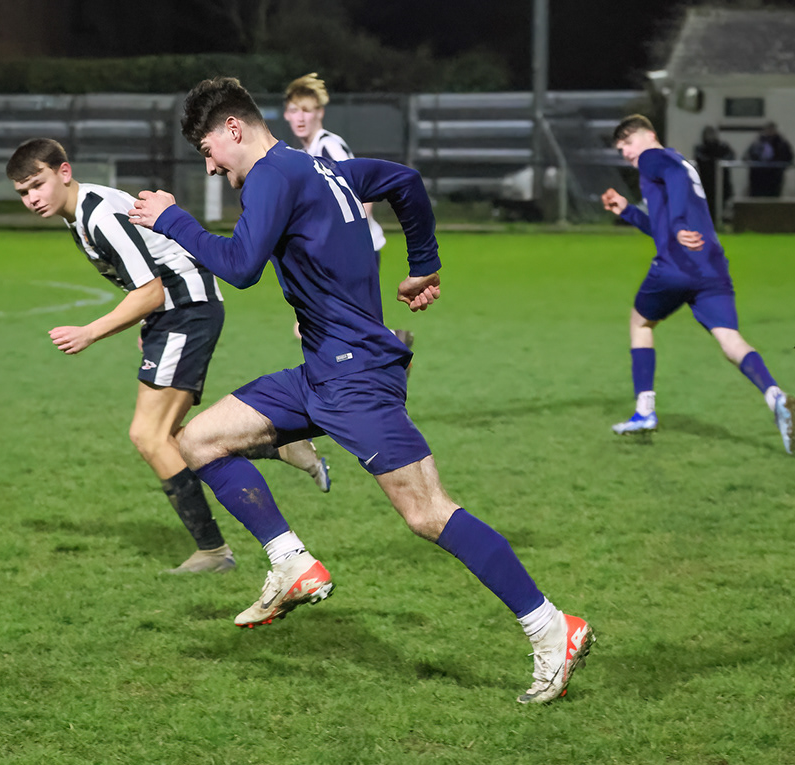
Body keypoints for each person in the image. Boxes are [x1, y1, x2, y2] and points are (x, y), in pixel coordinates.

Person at [129, 77, 593, 705]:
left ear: (233, 129)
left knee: (428, 512)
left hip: (356, 378)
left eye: (207, 149)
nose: (209, 165)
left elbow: (239, 266)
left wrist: (172, 219)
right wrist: (423, 261)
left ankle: (550, 627)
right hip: (321, 370)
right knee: (200, 440)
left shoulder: (272, 174)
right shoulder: (323, 167)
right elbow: (404, 181)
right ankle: (291, 562)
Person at [6, 138, 331, 575]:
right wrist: (146, 323)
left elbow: (150, 289)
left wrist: (90, 332)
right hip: (173, 314)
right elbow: (149, 270)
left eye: (37, 185)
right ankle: (280, 449)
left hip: (187, 312)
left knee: (148, 435)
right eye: (23, 193)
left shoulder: (99, 214)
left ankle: (215, 552)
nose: (32, 199)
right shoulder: (82, 213)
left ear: (63, 172)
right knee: (164, 434)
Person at [601, 114, 795, 454]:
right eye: (621, 149)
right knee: (729, 338)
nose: (626, 152)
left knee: (640, 322)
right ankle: (775, 397)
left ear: (650, 136)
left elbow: (675, 212)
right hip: (712, 266)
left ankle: (644, 412)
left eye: (629, 143)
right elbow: (663, 228)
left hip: (676, 267)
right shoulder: (679, 162)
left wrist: (678, 223)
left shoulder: (655, 158)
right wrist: (628, 212)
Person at [282, 72, 414, 359]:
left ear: (320, 113)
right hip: (345, 253)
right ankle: (390, 350)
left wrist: (343, 244)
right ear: (287, 115)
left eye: (307, 110)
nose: (300, 117)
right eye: (294, 110)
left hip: (355, 252)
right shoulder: (307, 152)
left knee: (321, 326)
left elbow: (361, 196)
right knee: (331, 326)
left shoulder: (330, 146)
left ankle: (390, 348)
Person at [692, 125, 734, 222]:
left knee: (722, 203)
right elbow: (700, 159)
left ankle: (719, 222)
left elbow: (730, 156)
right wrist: (712, 162)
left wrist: (718, 162)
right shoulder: (701, 148)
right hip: (706, 182)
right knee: (707, 204)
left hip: (722, 182)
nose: (711, 136)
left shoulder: (723, 147)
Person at [744, 122, 794, 198]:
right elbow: (746, 157)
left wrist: (781, 168)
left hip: (774, 177)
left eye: (772, 129)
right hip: (757, 178)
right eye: (768, 129)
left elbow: (789, 158)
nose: (770, 132)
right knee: (757, 200)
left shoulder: (782, 144)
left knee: (772, 200)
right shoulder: (756, 143)